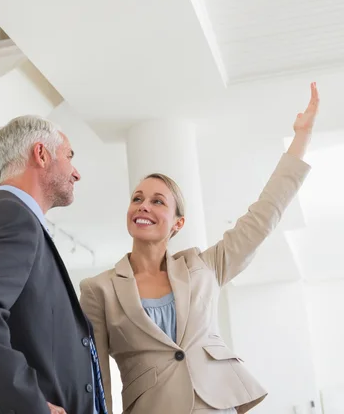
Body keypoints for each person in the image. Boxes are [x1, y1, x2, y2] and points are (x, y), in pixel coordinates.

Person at [80, 83, 319, 414]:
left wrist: (301, 140)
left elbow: (263, 216)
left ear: (178, 223)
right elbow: (95, 379)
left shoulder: (203, 267)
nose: (143, 206)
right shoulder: (99, 290)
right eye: (137, 199)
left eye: (157, 201)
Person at [0, 115, 107, 414]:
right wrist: (29, 405)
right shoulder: (11, 215)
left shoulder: (15, 218)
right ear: (41, 154)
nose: (76, 173)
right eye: (69, 156)